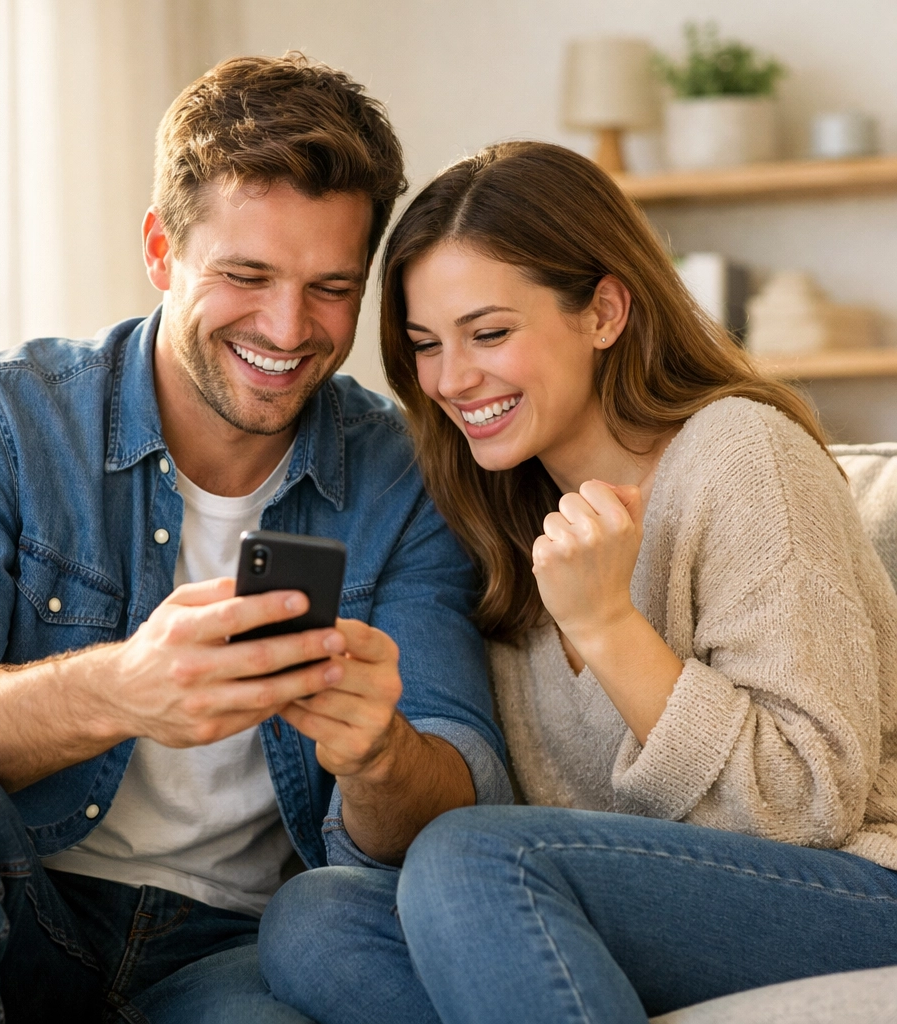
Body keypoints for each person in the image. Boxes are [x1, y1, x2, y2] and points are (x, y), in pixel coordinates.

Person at [0, 57, 511, 1024]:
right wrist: (117, 688)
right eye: (246, 275)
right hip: (18, 903)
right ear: (160, 250)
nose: (288, 329)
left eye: (330, 287)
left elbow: (458, 786)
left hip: (236, 954)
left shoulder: (404, 477)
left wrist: (380, 754)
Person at [259, 141, 897, 1024]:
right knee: (317, 916)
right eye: (424, 346)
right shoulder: (499, 515)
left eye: (489, 333)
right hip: (639, 911)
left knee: (473, 857)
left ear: (603, 311)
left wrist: (606, 626)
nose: (453, 379)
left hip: (850, 892)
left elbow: (805, 804)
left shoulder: (743, 457)